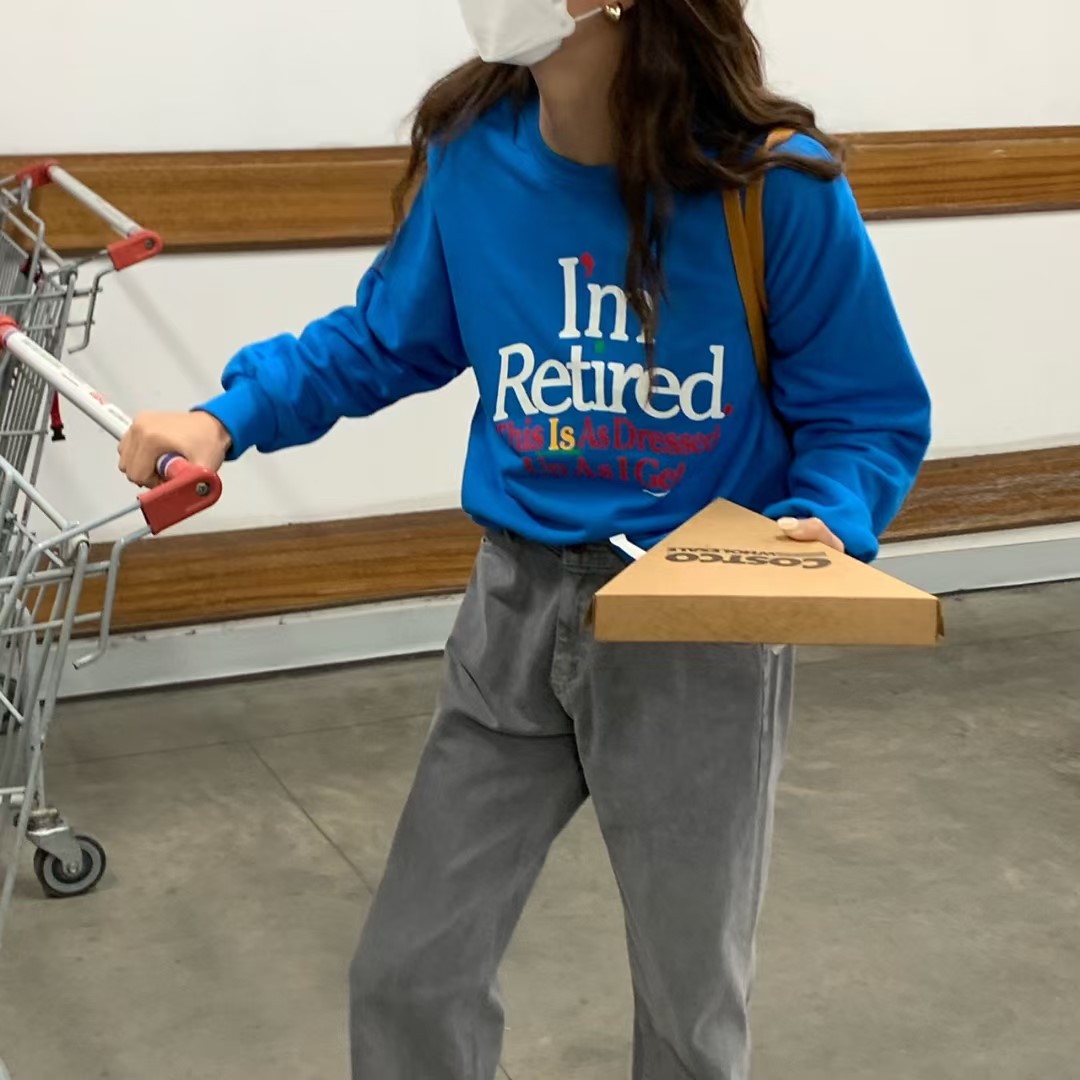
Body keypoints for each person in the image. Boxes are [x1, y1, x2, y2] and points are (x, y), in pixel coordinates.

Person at [119, 1, 932, 1076]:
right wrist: (225, 418)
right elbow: (380, 340)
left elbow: (867, 411)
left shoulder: (773, 185)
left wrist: (828, 518)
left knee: (688, 1007)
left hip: (692, 633)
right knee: (409, 975)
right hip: (513, 611)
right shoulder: (475, 157)